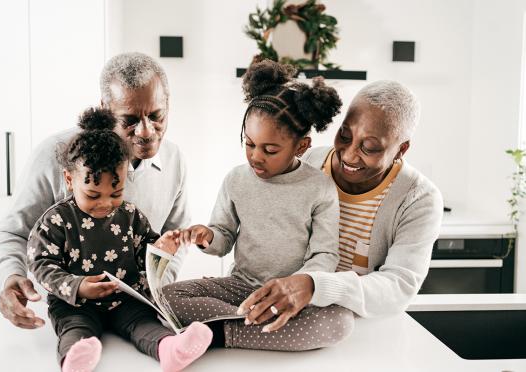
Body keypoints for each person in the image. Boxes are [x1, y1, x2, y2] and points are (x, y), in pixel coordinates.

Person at [162, 60, 354, 351]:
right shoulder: (236, 180)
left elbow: (325, 255)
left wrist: (298, 285)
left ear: (301, 146)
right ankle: (253, 325)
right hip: (240, 287)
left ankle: (223, 334)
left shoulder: (319, 188)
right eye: (249, 144)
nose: (256, 156)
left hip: (289, 295)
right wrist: (208, 236)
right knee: (166, 296)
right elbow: (223, 237)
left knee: (339, 321)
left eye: (270, 150)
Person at [0, 52, 190, 332]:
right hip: (72, 317)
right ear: (106, 110)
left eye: (156, 116)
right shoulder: (56, 154)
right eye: (130, 120)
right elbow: (12, 232)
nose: (146, 132)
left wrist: (155, 291)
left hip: (138, 318)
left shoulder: (174, 160)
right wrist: (9, 276)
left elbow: (175, 235)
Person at [238, 80, 444, 332]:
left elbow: (399, 285)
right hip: (281, 314)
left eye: (369, 147)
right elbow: (263, 231)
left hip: (355, 329)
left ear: (401, 149)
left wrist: (315, 286)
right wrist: (238, 281)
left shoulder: (419, 199)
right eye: (345, 136)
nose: (348, 155)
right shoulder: (307, 164)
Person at [27, 107, 210, 372]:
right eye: (92, 195)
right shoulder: (57, 220)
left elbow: (146, 252)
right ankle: (75, 358)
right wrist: (77, 286)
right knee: (76, 330)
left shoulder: (130, 215)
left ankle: (171, 349)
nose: (105, 204)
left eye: (116, 193)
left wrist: (161, 249)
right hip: (76, 305)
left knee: (146, 325)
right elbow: (41, 263)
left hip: (124, 302)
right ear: (69, 179)